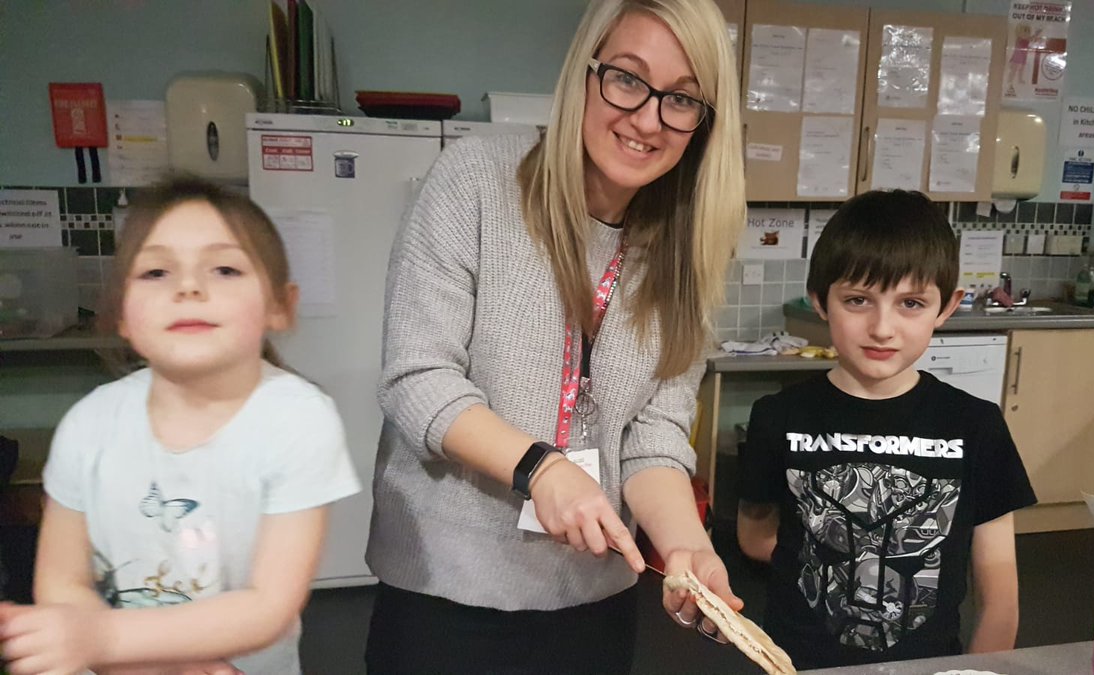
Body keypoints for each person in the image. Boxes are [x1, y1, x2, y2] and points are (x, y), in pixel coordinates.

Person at [365, 0, 745, 672]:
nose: (647, 118)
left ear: (703, 121)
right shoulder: (475, 180)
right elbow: (416, 378)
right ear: (585, 73)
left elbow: (654, 434)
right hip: (443, 587)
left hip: (592, 599)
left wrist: (687, 546)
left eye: (681, 98)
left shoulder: (686, 248)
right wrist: (541, 468)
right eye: (627, 78)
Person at [0, 178, 360, 675]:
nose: (188, 287)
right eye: (156, 272)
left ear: (281, 305)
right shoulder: (88, 425)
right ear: (121, 314)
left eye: (225, 268)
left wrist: (106, 639)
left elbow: (269, 604)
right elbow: (63, 582)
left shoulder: (297, 419)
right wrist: (144, 663)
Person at [736, 190, 1037, 669]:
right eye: (858, 300)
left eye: (911, 303)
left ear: (946, 307)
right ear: (820, 301)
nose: (882, 327)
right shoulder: (777, 416)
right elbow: (754, 537)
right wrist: (834, 557)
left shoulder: (976, 426)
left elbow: (1000, 595)